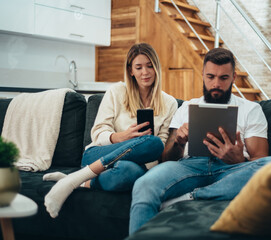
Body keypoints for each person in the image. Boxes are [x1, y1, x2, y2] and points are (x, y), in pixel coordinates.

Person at [129, 48, 271, 234]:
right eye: (210, 77)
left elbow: (261, 159)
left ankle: (190, 197)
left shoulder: (251, 109)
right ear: (202, 75)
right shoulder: (186, 107)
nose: (216, 83)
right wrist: (179, 142)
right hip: (189, 166)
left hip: (232, 170)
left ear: (234, 77)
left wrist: (239, 159)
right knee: (143, 184)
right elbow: (167, 159)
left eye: (223, 78)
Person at [43, 43, 178, 218]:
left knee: (148, 151)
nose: (145, 72)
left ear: (156, 67)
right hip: (97, 155)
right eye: (139, 67)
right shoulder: (116, 92)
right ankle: (74, 179)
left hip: (133, 165)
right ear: (131, 70)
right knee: (150, 144)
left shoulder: (169, 103)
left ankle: (78, 181)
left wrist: (138, 148)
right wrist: (123, 137)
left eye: (150, 66)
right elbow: (98, 132)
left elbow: (159, 150)